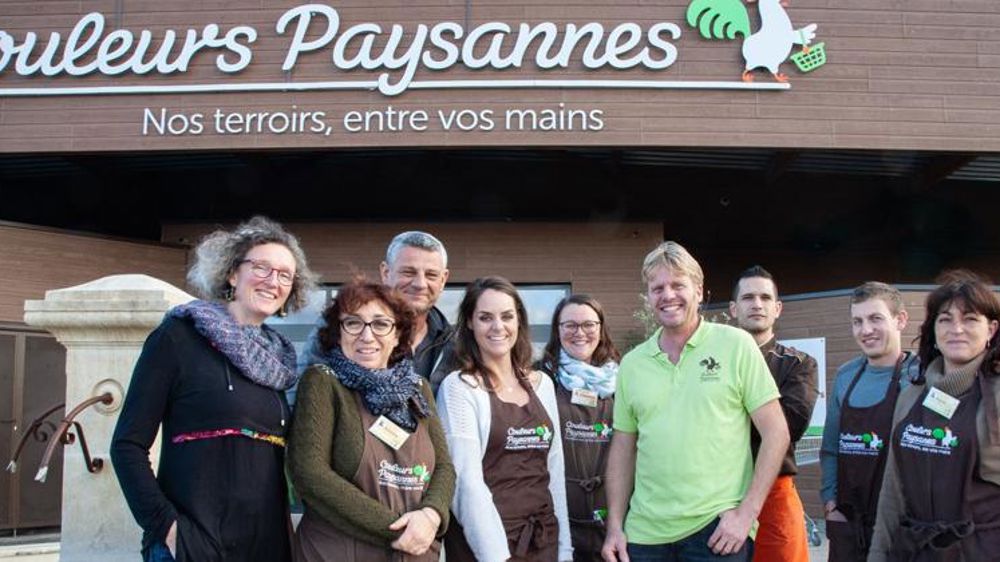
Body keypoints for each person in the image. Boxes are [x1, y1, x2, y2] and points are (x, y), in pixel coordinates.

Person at [111, 216, 316, 562]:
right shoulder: (178, 337)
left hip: (266, 545)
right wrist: (168, 529)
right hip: (195, 543)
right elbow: (127, 445)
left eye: (285, 275)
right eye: (262, 267)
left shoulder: (279, 362)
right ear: (233, 273)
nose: (273, 281)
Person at [602, 241, 789, 562]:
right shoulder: (632, 364)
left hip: (716, 532)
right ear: (649, 297)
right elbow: (623, 449)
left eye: (678, 285)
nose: (667, 295)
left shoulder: (736, 345)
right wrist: (615, 526)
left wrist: (747, 515)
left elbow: (777, 433)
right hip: (644, 536)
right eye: (657, 288)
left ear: (699, 291)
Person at [287, 278, 455, 561]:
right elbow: (310, 472)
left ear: (397, 334)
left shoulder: (418, 388)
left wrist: (431, 515)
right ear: (337, 333)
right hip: (338, 552)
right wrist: (398, 530)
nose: (367, 335)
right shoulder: (323, 382)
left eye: (380, 324)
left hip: (413, 552)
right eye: (353, 323)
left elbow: (444, 468)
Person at [437, 276, 573, 562]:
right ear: (470, 323)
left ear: (519, 321)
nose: (498, 327)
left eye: (507, 316)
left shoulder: (542, 384)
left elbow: (555, 471)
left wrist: (564, 550)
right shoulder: (460, 387)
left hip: (542, 539)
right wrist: (497, 557)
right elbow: (466, 484)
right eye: (485, 317)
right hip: (484, 546)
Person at [869, 271, 1000, 561]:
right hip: (914, 551)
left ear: (991, 330)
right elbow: (893, 492)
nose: (956, 329)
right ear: (934, 330)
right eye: (945, 319)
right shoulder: (911, 396)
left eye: (970, 319)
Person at [820, 282, 918, 562]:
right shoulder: (846, 376)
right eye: (857, 321)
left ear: (900, 320)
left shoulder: (921, 376)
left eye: (876, 318)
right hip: (848, 523)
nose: (866, 330)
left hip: (900, 525)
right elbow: (830, 449)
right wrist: (830, 504)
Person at [729, 266, 819, 562]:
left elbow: (788, 427)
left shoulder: (798, 363)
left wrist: (727, 420)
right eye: (748, 297)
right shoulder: (714, 365)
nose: (757, 304)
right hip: (719, 493)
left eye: (765, 297)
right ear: (733, 308)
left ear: (777, 308)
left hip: (775, 492)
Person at [300, 231, 455, 392]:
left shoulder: (457, 343)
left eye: (431, 275)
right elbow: (302, 393)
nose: (420, 284)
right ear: (386, 272)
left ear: (443, 279)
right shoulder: (339, 328)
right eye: (408, 272)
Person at [538, 294, 621, 562]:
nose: (579, 333)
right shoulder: (540, 377)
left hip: (611, 516)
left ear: (601, 328)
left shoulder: (623, 378)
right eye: (570, 325)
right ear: (557, 330)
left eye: (588, 324)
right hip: (558, 515)